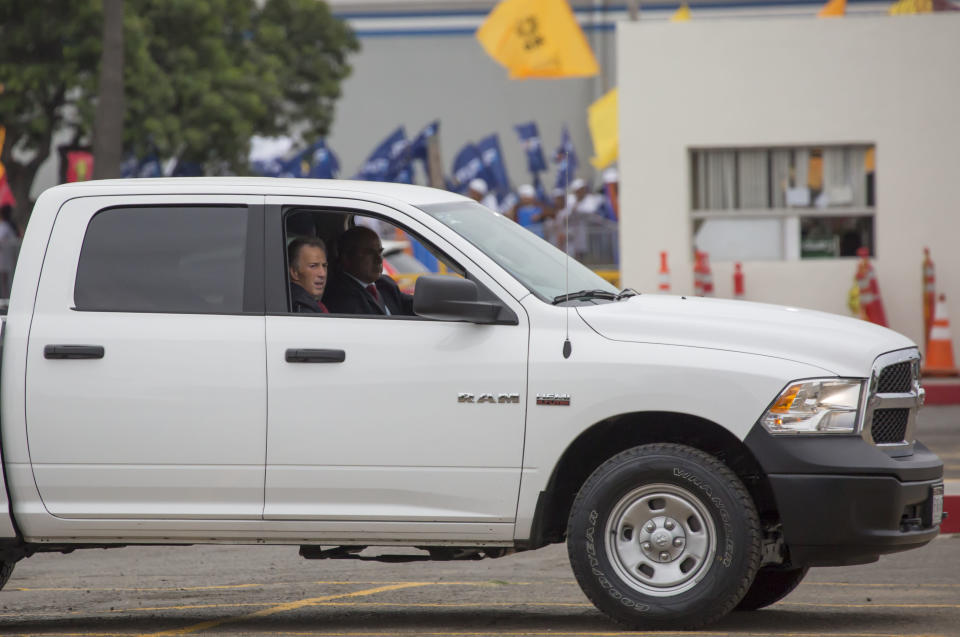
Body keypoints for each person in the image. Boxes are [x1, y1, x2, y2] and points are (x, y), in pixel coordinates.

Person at [323, 225, 414, 316]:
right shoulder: (340, 297)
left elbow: (415, 306)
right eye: (369, 253)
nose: (379, 259)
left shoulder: (385, 284)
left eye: (380, 252)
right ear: (346, 258)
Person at [287, 237, 329, 313]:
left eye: (324, 265)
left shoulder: (311, 304)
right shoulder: (302, 309)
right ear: (294, 272)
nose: (323, 274)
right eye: (313, 266)